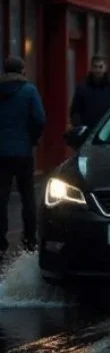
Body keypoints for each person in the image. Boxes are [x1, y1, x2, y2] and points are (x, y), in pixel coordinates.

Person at [0, 56, 45, 255]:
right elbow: (39, 118)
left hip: (1, 153)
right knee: (27, 196)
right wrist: (32, 138)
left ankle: (0, 241)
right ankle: (29, 238)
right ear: (22, 71)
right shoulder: (29, 90)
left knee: (1, 197)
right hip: (23, 151)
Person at [69, 54, 110, 128]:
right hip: (87, 131)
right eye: (95, 67)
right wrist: (79, 126)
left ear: (105, 68)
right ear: (91, 68)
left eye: (100, 67)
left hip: (107, 132)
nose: (97, 70)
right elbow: (75, 111)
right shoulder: (82, 87)